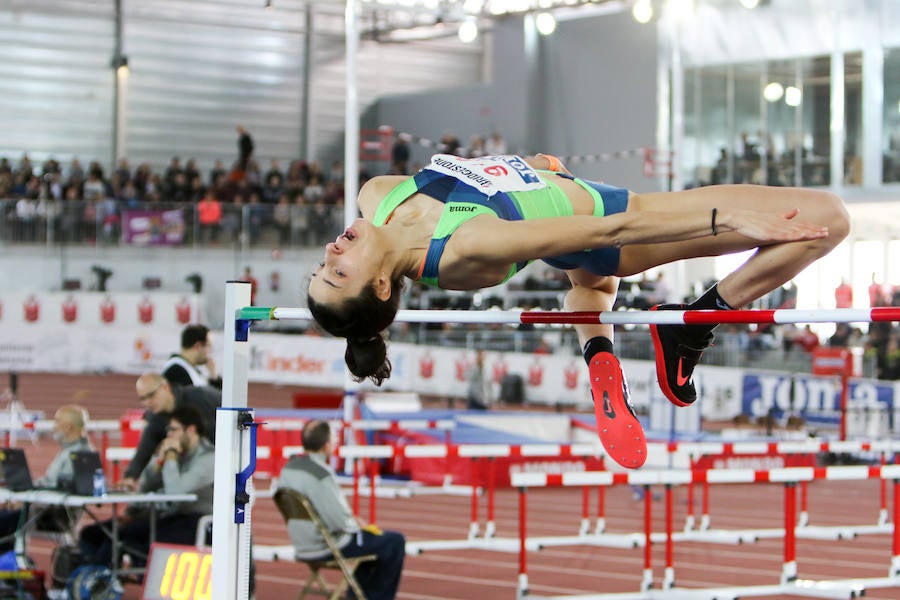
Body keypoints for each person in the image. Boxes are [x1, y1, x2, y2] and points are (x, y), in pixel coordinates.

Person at [306, 152, 849, 469]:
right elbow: (609, 230)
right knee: (832, 218)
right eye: (338, 272)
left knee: (593, 286)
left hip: (564, 212)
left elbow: (483, 177)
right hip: (613, 222)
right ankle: (696, 326)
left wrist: (534, 166)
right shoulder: (464, 247)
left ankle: (600, 356)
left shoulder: (379, 195)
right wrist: (726, 220)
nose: (331, 252)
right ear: (381, 285)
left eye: (321, 267)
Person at [277, 420, 405, 600]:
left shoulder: (288, 469)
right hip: (327, 545)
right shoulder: (321, 474)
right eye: (334, 438)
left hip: (302, 543)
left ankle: (356, 594)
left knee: (372, 546)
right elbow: (339, 522)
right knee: (394, 542)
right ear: (326, 445)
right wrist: (357, 524)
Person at [79, 406, 214, 569]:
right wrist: (158, 463)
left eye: (174, 430)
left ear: (191, 430)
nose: (169, 435)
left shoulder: (208, 459)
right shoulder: (178, 453)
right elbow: (145, 487)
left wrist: (171, 457)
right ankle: (92, 577)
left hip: (193, 522)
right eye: (168, 430)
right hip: (165, 516)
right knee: (92, 533)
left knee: (120, 538)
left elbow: (174, 494)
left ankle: (98, 582)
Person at [0, 405, 94, 551]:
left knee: (4, 521)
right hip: (41, 508)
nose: (53, 427)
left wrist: (26, 503)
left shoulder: (82, 455)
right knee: (5, 516)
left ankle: (10, 566)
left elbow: (60, 490)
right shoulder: (68, 451)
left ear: (69, 427)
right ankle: (10, 565)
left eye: (57, 422)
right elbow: (50, 484)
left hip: (53, 516)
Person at [119, 373, 219, 489]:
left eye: (151, 395)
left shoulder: (201, 397)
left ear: (165, 387)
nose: (147, 403)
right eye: (142, 399)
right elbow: (145, 447)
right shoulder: (156, 417)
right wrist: (130, 476)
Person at [162, 324, 222, 389]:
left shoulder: (188, 369)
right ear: (198, 346)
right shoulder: (176, 371)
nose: (210, 351)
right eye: (209, 346)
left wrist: (214, 377)